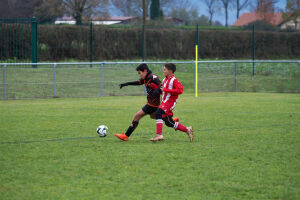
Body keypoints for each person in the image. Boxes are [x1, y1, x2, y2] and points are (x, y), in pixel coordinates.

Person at [115, 63, 178, 141]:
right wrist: (126, 84)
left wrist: (157, 90)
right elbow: (138, 82)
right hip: (153, 103)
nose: (139, 75)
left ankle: (126, 136)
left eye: (140, 73)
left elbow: (162, 86)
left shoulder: (153, 78)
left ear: (145, 71)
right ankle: (171, 121)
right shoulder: (146, 78)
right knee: (153, 116)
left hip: (152, 104)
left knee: (136, 116)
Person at [150, 63, 194, 142]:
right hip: (165, 102)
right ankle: (187, 129)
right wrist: (157, 91)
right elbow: (164, 91)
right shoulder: (165, 79)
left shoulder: (174, 80)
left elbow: (180, 90)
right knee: (168, 122)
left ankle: (159, 135)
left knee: (158, 113)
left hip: (170, 102)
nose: (163, 71)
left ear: (170, 71)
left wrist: (166, 90)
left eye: (164, 69)